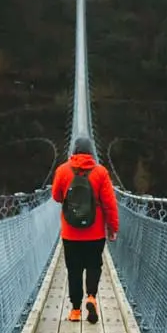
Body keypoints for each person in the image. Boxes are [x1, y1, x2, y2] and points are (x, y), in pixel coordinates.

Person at [51, 136, 119, 323]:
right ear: (91, 153)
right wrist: (113, 227)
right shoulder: (101, 172)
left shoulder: (63, 170)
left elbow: (56, 196)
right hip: (95, 232)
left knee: (74, 270)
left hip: (70, 232)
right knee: (93, 265)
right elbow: (110, 204)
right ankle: (91, 297)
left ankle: (75, 310)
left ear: (73, 151)